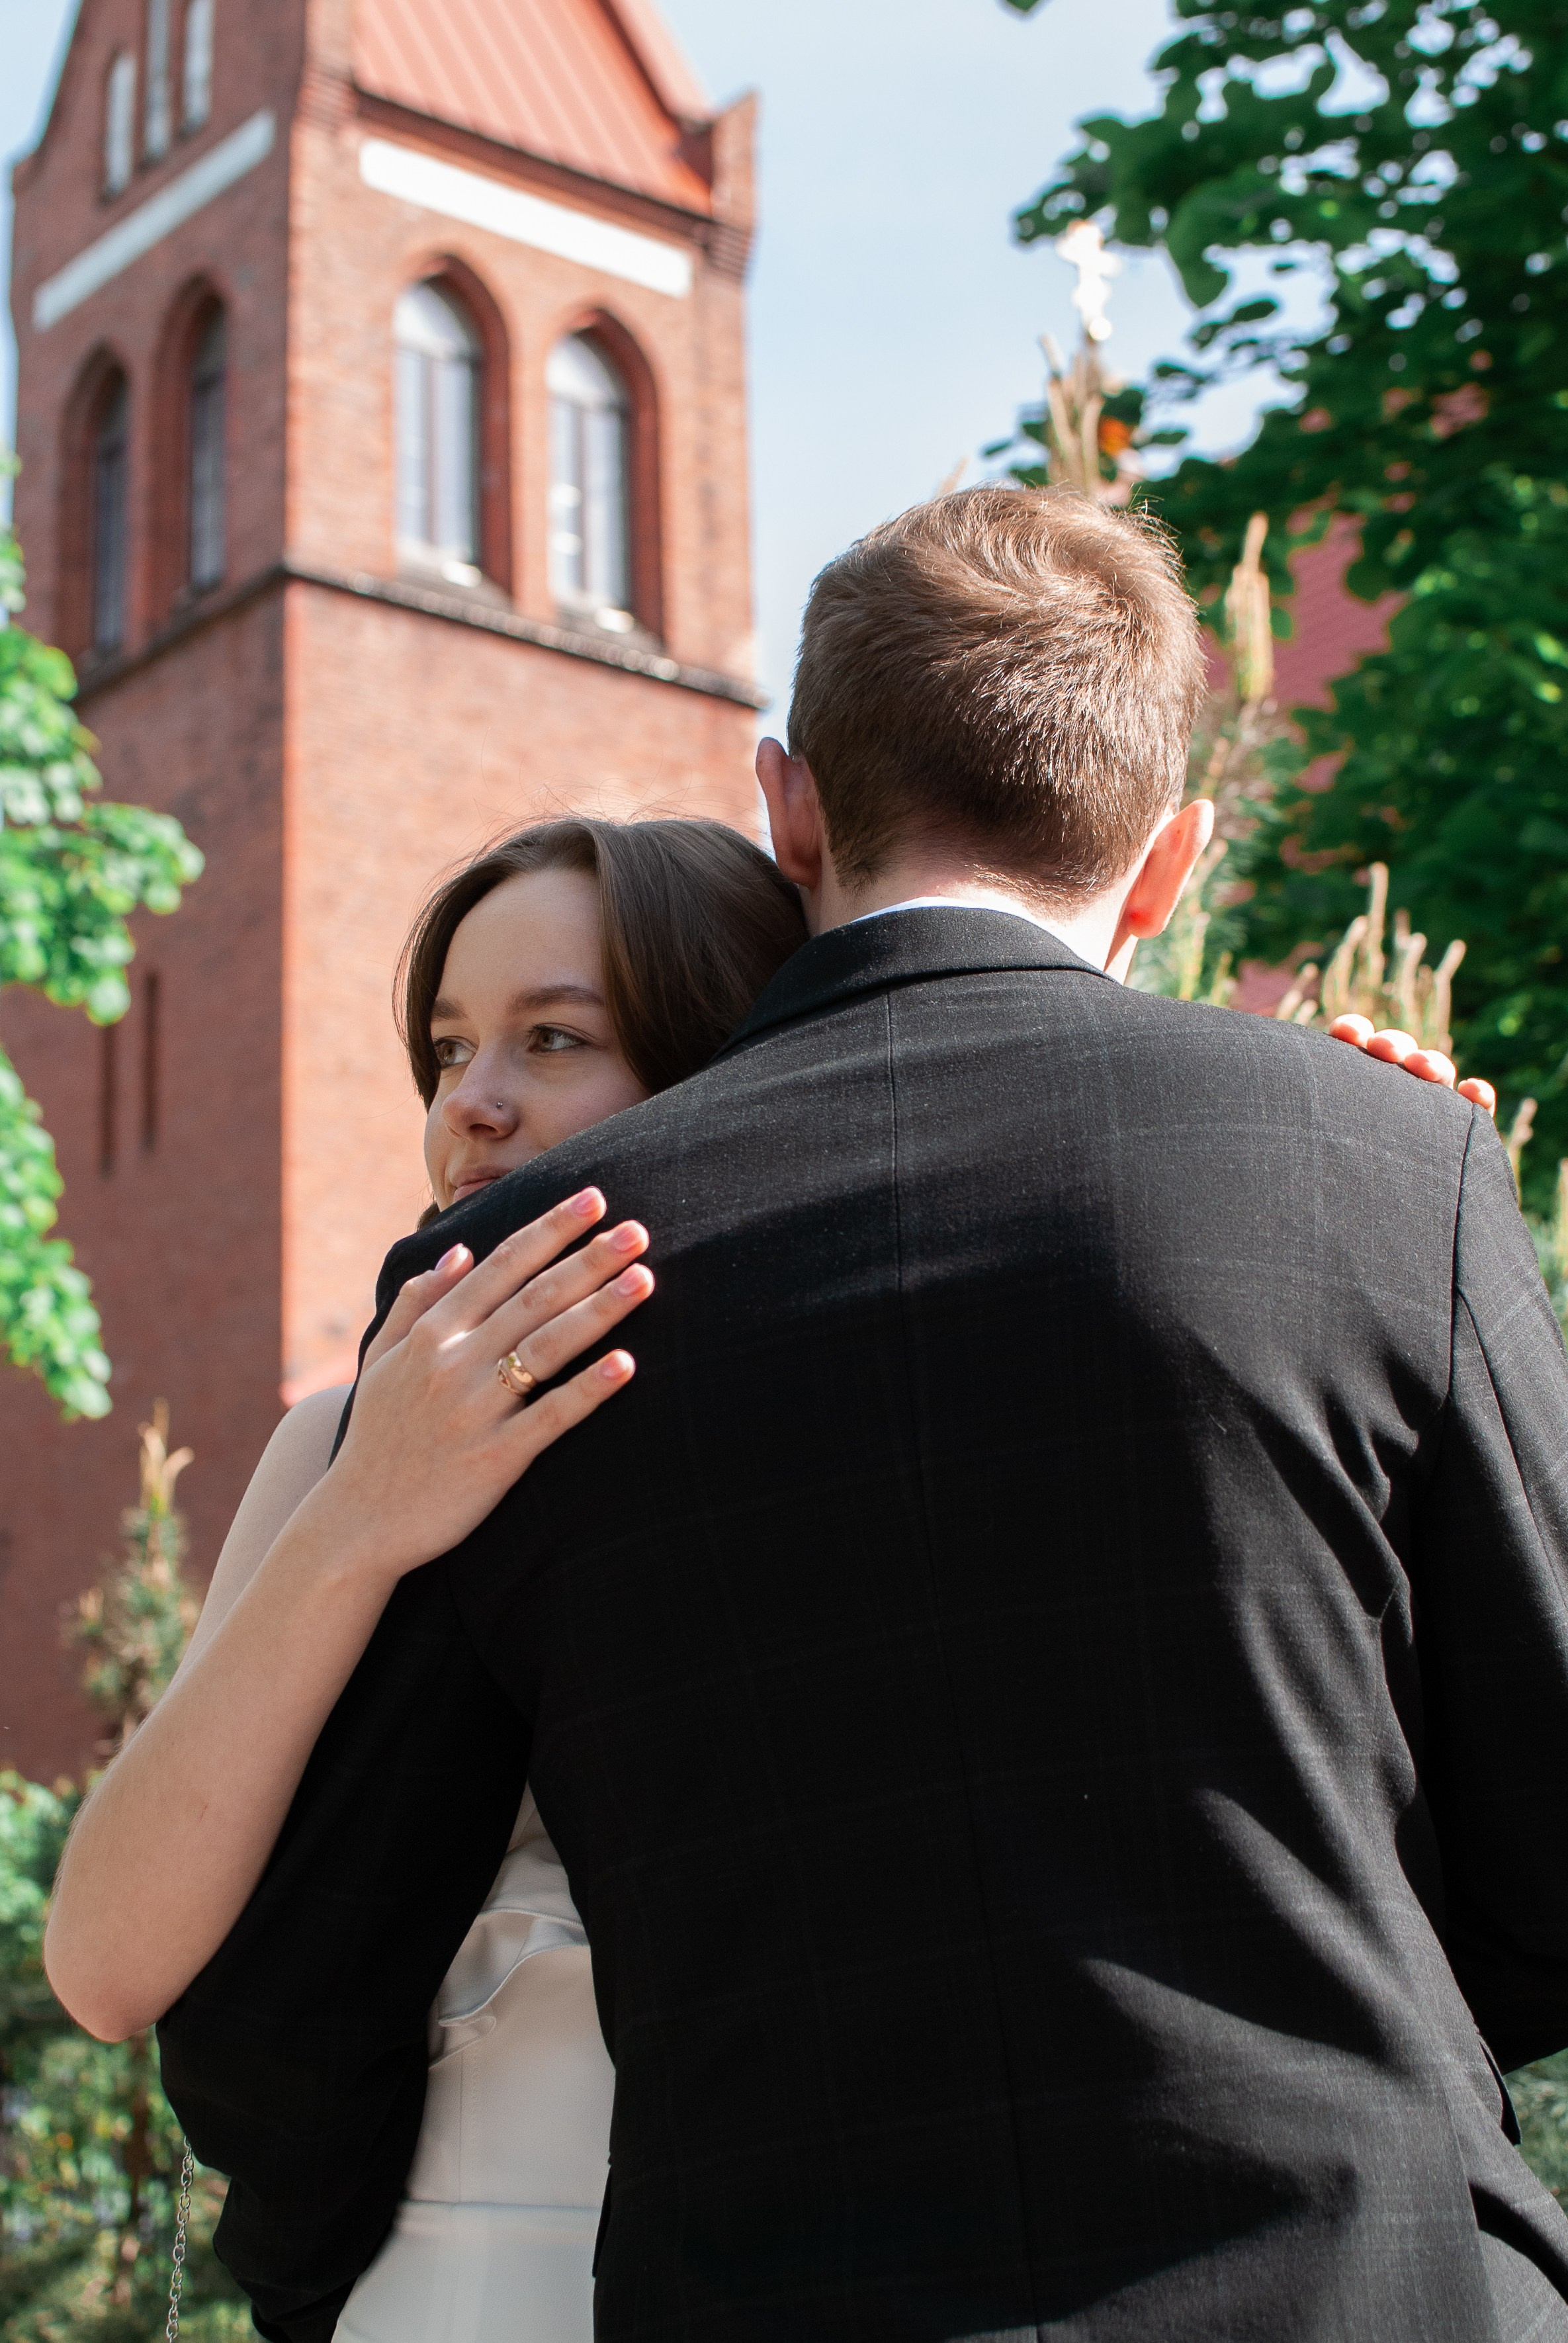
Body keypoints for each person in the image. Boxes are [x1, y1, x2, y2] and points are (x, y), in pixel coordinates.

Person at [161, 482, 1568, 2340]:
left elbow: (312, 1954)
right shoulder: (1388, 1161)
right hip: (1354, 2275)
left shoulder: (523, 1276)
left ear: (791, 808)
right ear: (1169, 863)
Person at [46, 818, 809, 2340]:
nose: (474, 1101)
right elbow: (106, 1964)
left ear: (718, 1066)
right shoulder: (334, 1445)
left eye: (554, 1037)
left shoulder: (824, 1432)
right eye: (450, 1047)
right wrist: (362, 1516)